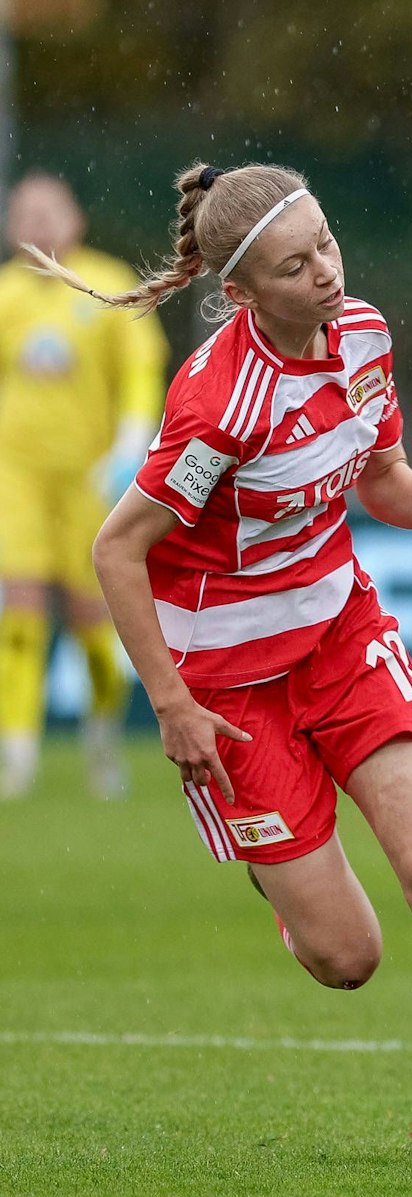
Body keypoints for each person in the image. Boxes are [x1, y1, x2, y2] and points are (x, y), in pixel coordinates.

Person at [37, 162, 412, 1164]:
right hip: (227, 689)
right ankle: (281, 876)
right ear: (240, 293)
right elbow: (116, 548)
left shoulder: (362, 333)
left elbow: (380, 478)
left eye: (325, 244)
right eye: (294, 264)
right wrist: (172, 703)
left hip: (339, 639)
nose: (325, 273)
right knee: (347, 958)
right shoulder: (217, 404)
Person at [0, 172, 167, 799]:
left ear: (75, 220)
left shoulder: (106, 282)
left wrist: (131, 441)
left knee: (93, 621)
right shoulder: (5, 295)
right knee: (17, 615)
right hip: (15, 476)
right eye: (25, 212)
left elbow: (140, 368)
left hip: (91, 481)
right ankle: (15, 753)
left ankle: (101, 736)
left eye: (50, 211)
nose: (38, 223)